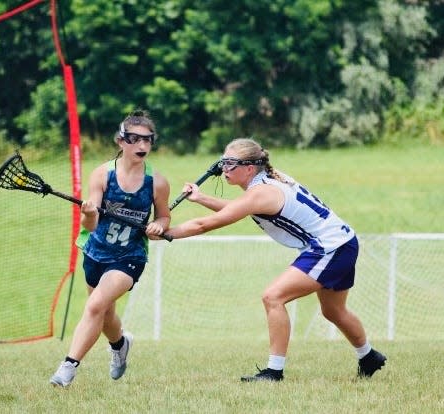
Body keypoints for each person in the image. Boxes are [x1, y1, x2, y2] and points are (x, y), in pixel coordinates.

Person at [162, 137, 386, 382]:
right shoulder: (266, 182)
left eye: (230, 163)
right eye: (223, 162)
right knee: (333, 311)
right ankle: (369, 357)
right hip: (342, 242)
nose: (224, 168)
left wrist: (166, 233)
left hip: (330, 247)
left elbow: (205, 224)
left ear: (249, 168)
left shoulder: (261, 193)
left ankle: (274, 372)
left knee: (273, 297)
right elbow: (239, 208)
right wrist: (201, 198)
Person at [50, 110, 171, 387]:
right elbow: (90, 225)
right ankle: (120, 345)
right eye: (134, 139)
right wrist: (90, 213)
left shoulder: (157, 183)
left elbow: (164, 216)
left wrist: (159, 226)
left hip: (130, 255)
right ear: (121, 141)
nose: (142, 146)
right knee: (104, 314)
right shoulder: (103, 175)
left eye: (148, 140)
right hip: (96, 251)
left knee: (94, 306)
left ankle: (68, 367)